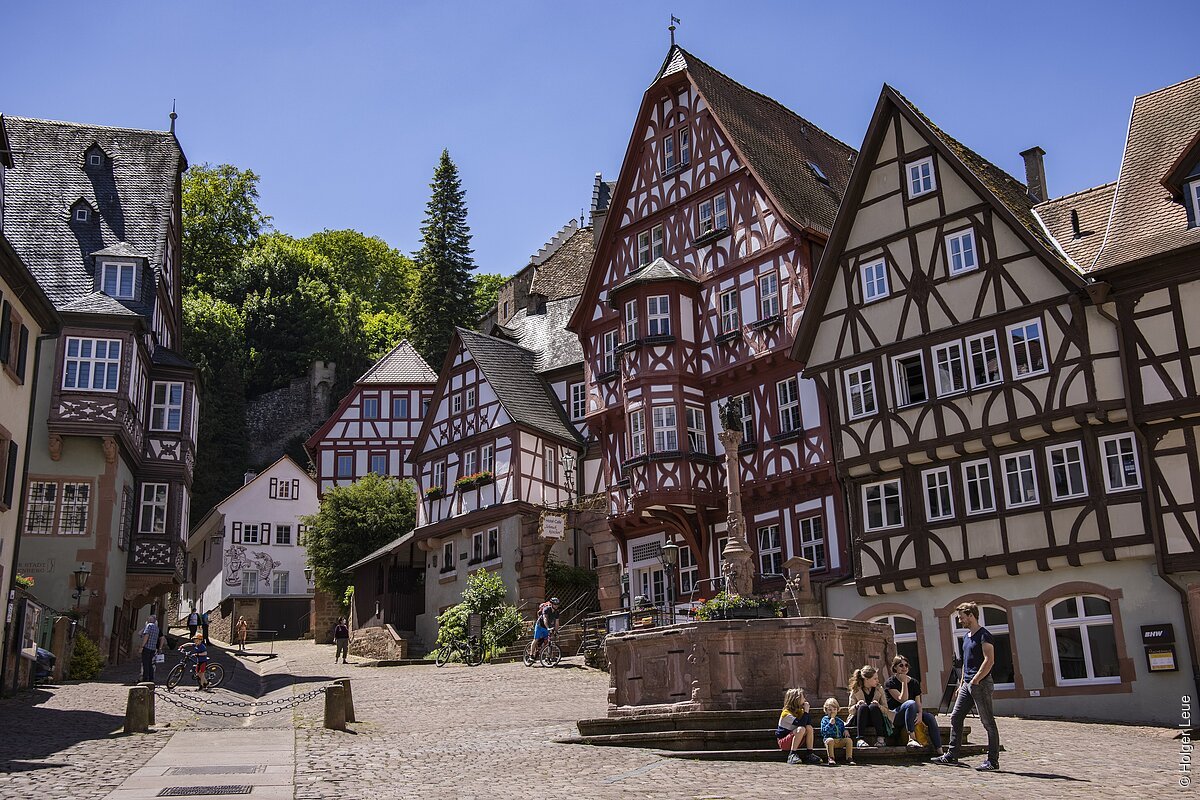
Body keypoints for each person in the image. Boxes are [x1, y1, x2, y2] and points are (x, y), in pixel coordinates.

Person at [932, 601, 1001, 771]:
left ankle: (992, 761)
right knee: (955, 717)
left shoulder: (984, 635)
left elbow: (989, 660)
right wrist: (962, 682)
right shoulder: (966, 637)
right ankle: (952, 755)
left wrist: (976, 680)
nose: (960, 620)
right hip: (967, 684)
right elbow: (965, 663)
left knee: (988, 722)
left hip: (981, 683)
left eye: (961, 617)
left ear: (971, 615)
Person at [885, 655, 942, 751]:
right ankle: (911, 738)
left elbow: (918, 702)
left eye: (906, 665)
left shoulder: (914, 682)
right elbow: (903, 699)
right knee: (910, 703)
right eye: (901, 665)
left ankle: (939, 750)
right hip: (896, 715)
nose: (904, 668)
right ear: (895, 667)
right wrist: (904, 682)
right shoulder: (890, 682)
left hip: (912, 712)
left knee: (930, 717)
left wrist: (920, 714)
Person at [848, 665, 892, 747]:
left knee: (873, 706)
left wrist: (879, 706)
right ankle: (860, 739)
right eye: (875, 679)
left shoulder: (879, 689)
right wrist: (857, 706)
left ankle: (880, 739)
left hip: (876, 719)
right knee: (863, 707)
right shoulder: (856, 689)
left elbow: (886, 709)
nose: (877, 681)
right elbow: (850, 710)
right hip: (861, 719)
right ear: (866, 679)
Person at [776, 688, 822, 764]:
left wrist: (805, 712)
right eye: (802, 698)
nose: (805, 699)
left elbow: (807, 723)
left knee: (809, 728)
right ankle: (792, 754)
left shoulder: (799, 711)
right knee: (801, 729)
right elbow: (801, 723)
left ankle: (809, 753)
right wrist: (806, 712)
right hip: (784, 742)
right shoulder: (786, 714)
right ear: (796, 700)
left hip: (797, 739)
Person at [820, 697, 855, 766]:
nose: (832, 712)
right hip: (829, 740)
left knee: (848, 740)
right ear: (826, 710)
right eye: (830, 710)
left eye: (834, 709)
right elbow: (823, 732)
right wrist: (830, 724)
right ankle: (831, 758)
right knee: (830, 740)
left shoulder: (839, 720)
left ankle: (849, 758)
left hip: (839, 740)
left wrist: (845, 730)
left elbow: (842, 727)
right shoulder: (825, 720)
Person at [139, 614, 161, 682]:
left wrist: (142, 646)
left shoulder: (149, 626)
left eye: (148, 619)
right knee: (150, 664)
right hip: (153, 648)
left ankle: (145, 678)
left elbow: (146, 636)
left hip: (147, 647)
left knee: (145, 663)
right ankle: (151, 678)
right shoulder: (157, 628)